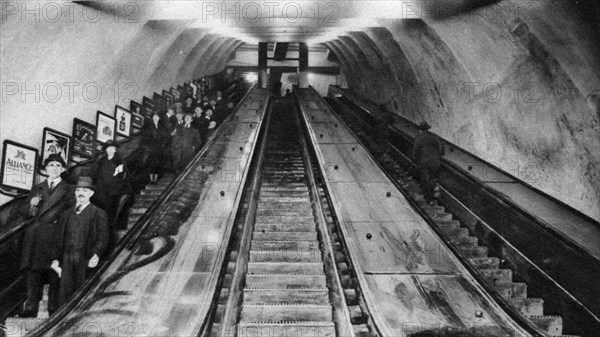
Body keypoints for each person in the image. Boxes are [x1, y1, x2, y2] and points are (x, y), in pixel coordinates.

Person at [18, 154, 74, 317]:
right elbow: (26, 214)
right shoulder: (37, 188)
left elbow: (70, 212)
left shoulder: (69, 188)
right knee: (33, 271)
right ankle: (30, 307)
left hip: (56, 233)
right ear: (46, 169)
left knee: (54, 270)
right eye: (51, 165)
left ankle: (53, 307)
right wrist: (31, 206)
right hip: (36, 234)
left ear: (63, 169)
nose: (54, 168)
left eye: (58, 165)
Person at [52, 176, 108, 306]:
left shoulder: (99, 213)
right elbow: (58, 238)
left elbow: (103, 238)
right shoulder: (65, 214)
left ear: (91, 194)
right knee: (64, 295)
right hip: (66, 257)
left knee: (82, 294)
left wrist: (96, 254)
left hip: (85, 257)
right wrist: (55, 259)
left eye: (85, 190)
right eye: (78, 190)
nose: (81, 193)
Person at [89, 140, 131, 231]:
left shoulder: (119, 162)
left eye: (113, 148)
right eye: (109, 148)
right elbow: (94, 174)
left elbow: (124, 176)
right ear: (106, 150)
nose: (111, 150)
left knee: (109, 214)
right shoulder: (101, 161)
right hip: (100, 191)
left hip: (112, 192)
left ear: (115, 150)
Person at [412, 121, 445, 204]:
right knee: (432, 178)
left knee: (425, 180)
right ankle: (435, 191)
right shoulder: (435, 137)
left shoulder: (419, 137)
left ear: (420, 130)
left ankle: (429, 199)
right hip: (436, 162)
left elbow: (415, 152)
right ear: (428, 129)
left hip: (424, 162)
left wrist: (417, 160)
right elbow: (442, 151)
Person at [141, 113, 168, 183]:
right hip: (151, 148)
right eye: (154, 116)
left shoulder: (161, 127)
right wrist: (148, 147)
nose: (156, 118)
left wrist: (162, 145)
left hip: (159, 148)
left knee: (158, 164)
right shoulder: (148, 126)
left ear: (159, 118)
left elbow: (165, 137)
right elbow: (145, 138)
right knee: (151, 164)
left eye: (157, 117)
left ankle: (155, 179)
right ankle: (151, 179)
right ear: (152, 117)